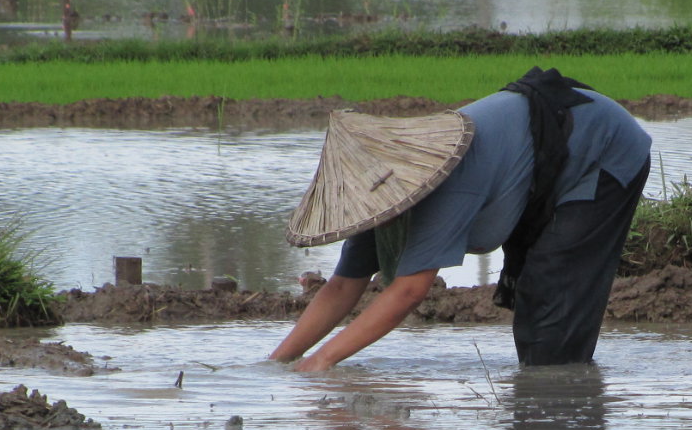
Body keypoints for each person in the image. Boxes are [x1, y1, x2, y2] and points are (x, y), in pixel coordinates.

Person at [270, 67, 652, 371]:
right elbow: (340, 287)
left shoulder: (440, 182)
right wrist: (279, 362)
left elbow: (408, 292)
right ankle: (544, 392)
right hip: (542, 155)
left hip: (604, 151)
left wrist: (323, 360)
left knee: (549, 287)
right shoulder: (377, 193)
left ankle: (559, 400)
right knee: (538, 300)